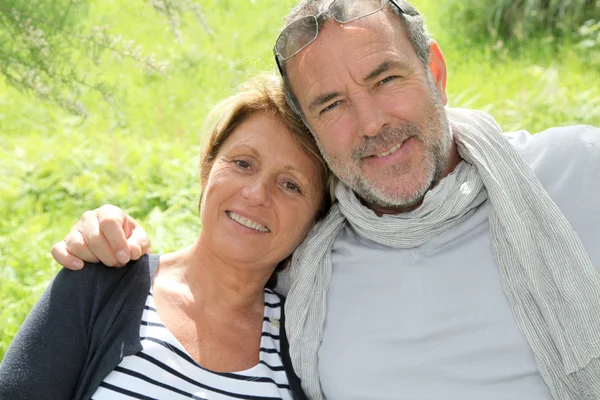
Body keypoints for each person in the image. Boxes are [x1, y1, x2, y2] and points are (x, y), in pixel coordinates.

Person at [50, 0, 600, 399]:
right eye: (331, 104)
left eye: (385, 79)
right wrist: (110, 242)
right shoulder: (311, 265)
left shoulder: (576, 171)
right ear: (313, 129)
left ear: (434, 71)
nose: (371, 123)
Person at [0, 74, 336, 400]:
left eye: (290, 185)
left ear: (315, 221)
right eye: (243, 163)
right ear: (208, 169)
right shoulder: (100, 285)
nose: (256, 193)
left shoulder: (307, 346)